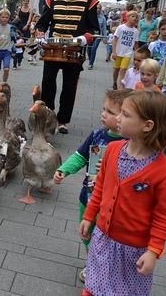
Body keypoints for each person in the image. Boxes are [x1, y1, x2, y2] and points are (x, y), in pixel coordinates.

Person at [80, 90, 166, 296]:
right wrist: (89, 216)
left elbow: (164, 216)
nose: (118, 118)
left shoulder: (164, 170)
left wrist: (153, 251)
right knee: (92, 287)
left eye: (125, 114)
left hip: (133, 251)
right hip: (103, 239)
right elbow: (100, 188)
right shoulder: (113, 150)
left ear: (147, 125)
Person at [54, 89, 130, 283]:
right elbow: (80, 156)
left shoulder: (131, 143)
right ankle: (93, 262)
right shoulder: (96, 136)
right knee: (86, 232)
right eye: (104, 109)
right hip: (88, 197)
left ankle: (108, 266)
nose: (104, 114)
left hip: (115, 203)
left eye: (111, 112)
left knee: (109, 237)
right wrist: (64, 169)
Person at [35, 0, 100, 134]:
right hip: (53, 49)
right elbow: (42, 23)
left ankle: (63, 120)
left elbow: (95, 29)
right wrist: (40, 34)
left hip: (73, 51)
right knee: (48, 82)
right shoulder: (53, 0)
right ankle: (48, 115)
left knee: (69, 87)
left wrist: (84, 39)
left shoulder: (89, 3)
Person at [112, 10, 139, 91]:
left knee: (123, 69)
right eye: (132, 16)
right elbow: (115, 40)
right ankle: (114, 82)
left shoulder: (135, 31)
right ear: (127, 17)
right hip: (119, 51)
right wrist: (114, 52)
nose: (134, 18)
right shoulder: (121, 28)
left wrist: (136, 54)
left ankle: (121, 87)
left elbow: (136, 43)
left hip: (128, 52)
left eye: (136, 17)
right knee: (116, 69)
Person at [0, 9, 15, 82]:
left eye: (6, 17)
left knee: (6, 69)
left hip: (7, 51)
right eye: (3, 17)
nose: (4, 19)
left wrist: (14, 50)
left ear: (8, 18)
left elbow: (13, 40)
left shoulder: (11, 28)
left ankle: (4, 83)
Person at [88, 3, 107, 70]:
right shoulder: (90, 16)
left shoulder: (103, 18)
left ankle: (90, 64)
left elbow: (104, 28)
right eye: (97, 8)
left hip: (98, 36)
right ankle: (90, 59)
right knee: (89, 50)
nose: (98, 9)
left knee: (93, 50)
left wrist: (105, 38)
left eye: (99, 8)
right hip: (90, 35)